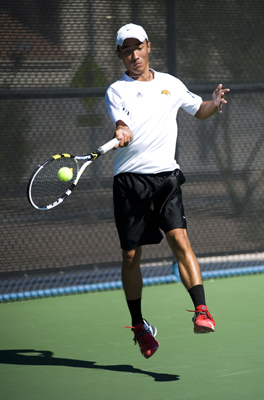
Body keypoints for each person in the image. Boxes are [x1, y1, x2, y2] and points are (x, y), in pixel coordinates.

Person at [105, 23, 229, 359]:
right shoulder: (116, 90)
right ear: (120, 55)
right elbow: (121, 123)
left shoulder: (170, 84)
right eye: (126, 50)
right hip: (130, 180)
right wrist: (121, 129)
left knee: (180, 239)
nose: (134, 55)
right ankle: (139, 327)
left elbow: (198, 110)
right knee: (131, 256)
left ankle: (202, 310)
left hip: (166, 179)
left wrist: (213, 102)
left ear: (148, 46)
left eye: (138, 47)